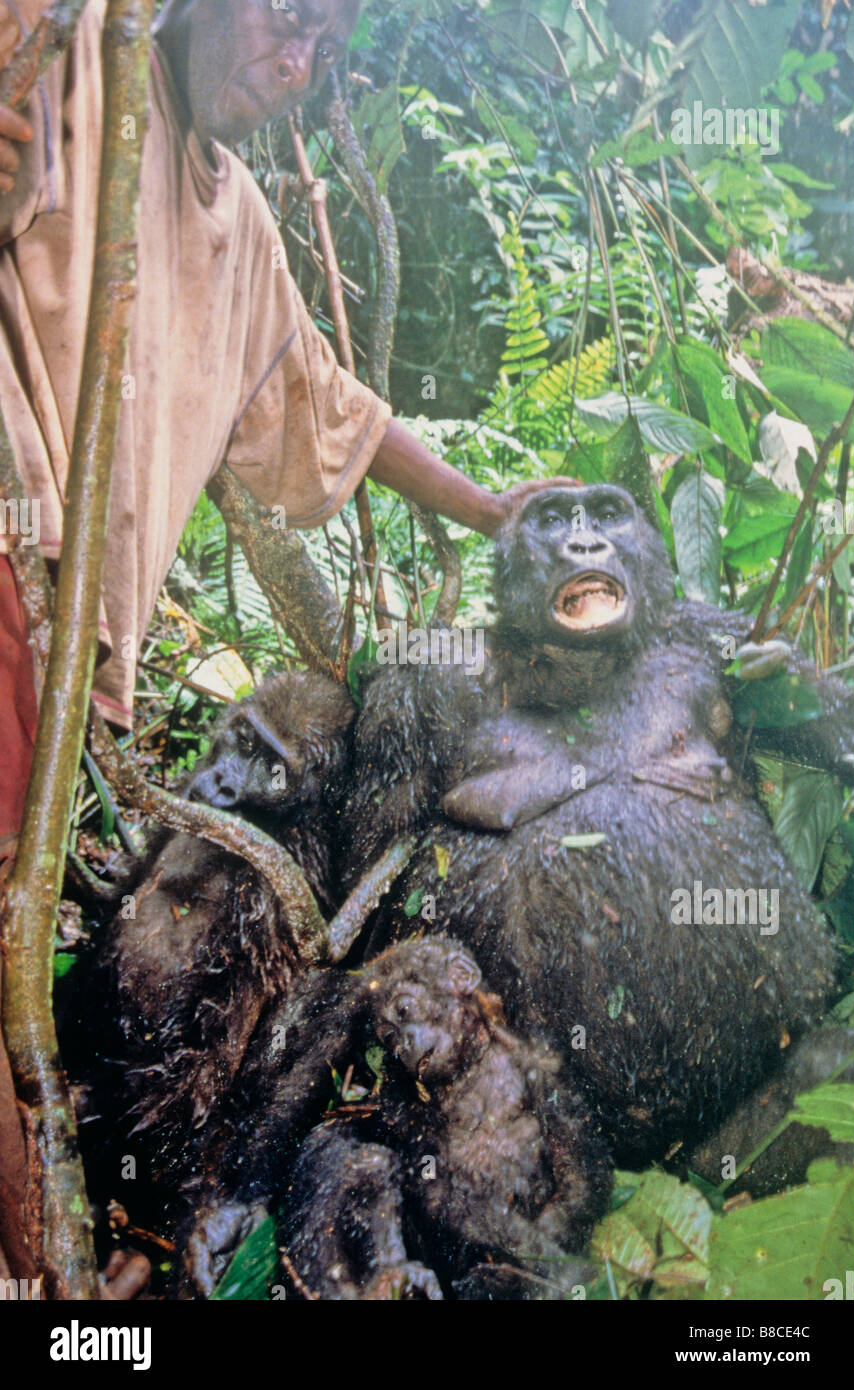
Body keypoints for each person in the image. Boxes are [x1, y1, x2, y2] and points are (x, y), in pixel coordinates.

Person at [0, 0, 565, 1289]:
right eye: (285, 22)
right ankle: (47, 1281)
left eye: (325, 50)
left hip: (77, 654)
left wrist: (486, 508)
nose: (296, 66)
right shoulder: (75, 47)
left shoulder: (240, 222)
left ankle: (69, 1253)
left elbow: (321, 407)